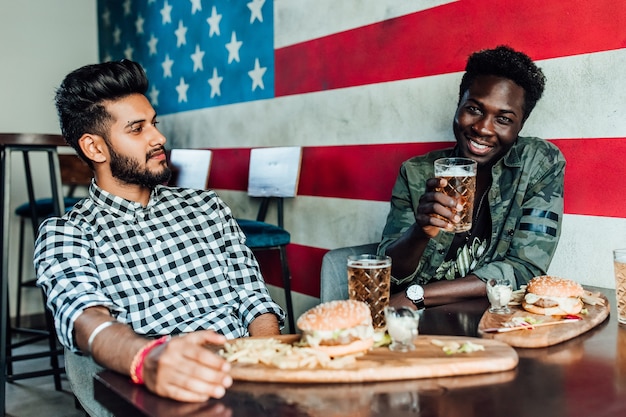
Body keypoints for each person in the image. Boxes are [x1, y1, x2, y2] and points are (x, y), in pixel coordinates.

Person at [34, 60, 284, 415]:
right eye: (137, 130)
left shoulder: (206, 206)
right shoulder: (67, 233)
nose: (158, 138)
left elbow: (255, 301)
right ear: (95, 148)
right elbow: (85, 319)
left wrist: (268, 369)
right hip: (162, 394)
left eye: (154, 123)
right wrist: (146, 359)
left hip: (247, 380)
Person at [378, 45, 565, 309]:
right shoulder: (416, 172)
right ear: (458, 106)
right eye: (474, 109)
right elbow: (387, 276)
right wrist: (419, 232)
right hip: (416, 322)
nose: (482, 128)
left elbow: (526, 269)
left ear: (520, 125)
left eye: (503, 119)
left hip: (492, 319)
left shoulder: (539, 163)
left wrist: (417, 296)